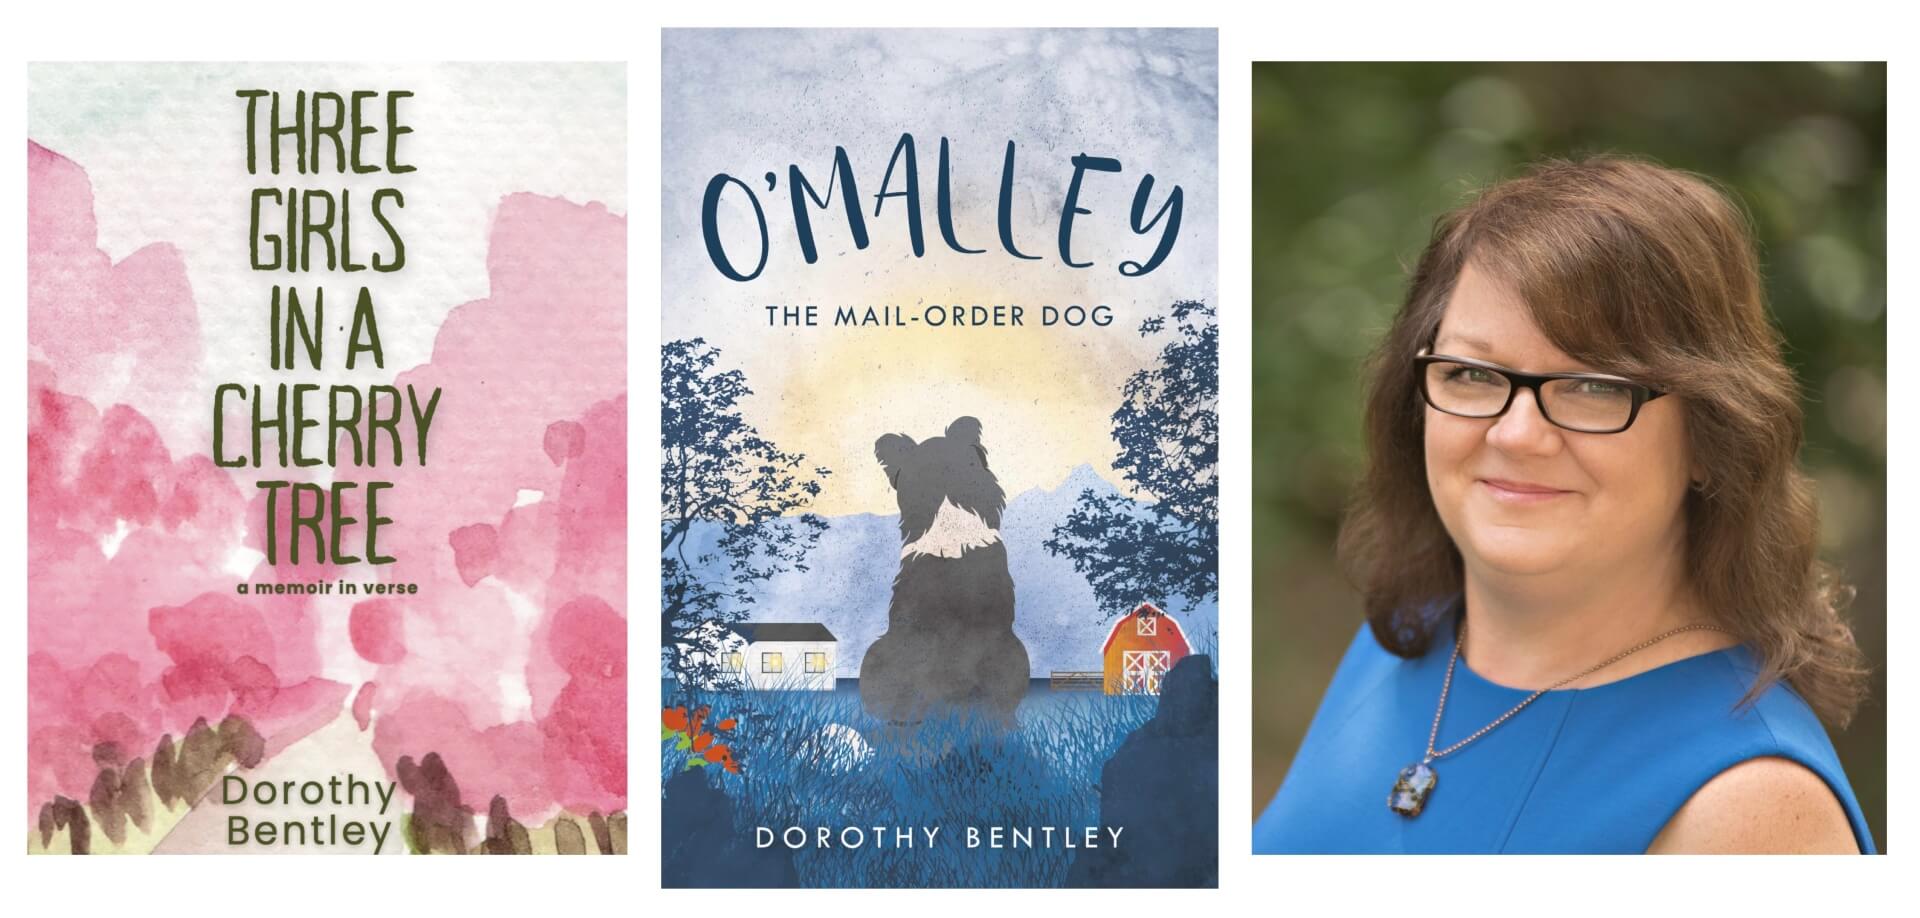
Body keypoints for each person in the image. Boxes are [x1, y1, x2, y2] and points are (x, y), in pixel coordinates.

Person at [1252, 156, 1875, 854]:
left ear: (1711, 436)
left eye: (1594, 386)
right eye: (1471, 373)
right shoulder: (1407, 635)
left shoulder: (1752, 810)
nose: (1517, 434)